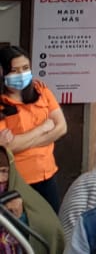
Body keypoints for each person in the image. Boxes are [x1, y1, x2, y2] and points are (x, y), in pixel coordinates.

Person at [0, 46, 62, 209]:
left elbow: (61, 127)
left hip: (47, 174)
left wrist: (22, 142)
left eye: (25, 68)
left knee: (49, 228)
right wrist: (42, 129)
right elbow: (8, 146)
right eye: (14, 70)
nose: (21, 74)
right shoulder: (2, 104)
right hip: (17, 180)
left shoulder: (41, 90)